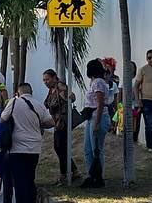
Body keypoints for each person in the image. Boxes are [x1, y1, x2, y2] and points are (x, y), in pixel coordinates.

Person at [0, 82, 52, 203]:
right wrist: (37, 124)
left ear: (18, 92)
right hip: (34, 148)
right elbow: (50, 122)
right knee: (30, 178)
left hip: (17, 147)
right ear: (31, 92)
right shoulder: (38, 105)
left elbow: (2, 119)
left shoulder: (13, 102)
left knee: (18, 180)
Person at [42, 69, 75, 183]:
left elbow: (70, 97)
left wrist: (69, 96)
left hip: (63, 122)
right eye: (44, 80)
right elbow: (47, 104)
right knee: (59, 147)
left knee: (60, 147)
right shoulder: (51, 90)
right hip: (56, 123)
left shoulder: (60, 87)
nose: (45, 82)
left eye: (47, 79)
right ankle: (72, 171)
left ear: (54, 77)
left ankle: (65, 173)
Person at [81, 58, 111, 187]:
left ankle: (98, 177)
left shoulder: (98, 82)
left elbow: (100, 103)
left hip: (98, 117)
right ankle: (91, 174)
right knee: (88, 149)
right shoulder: (94, 82)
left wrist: (97, 123)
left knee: (96, 149)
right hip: (91, 117)